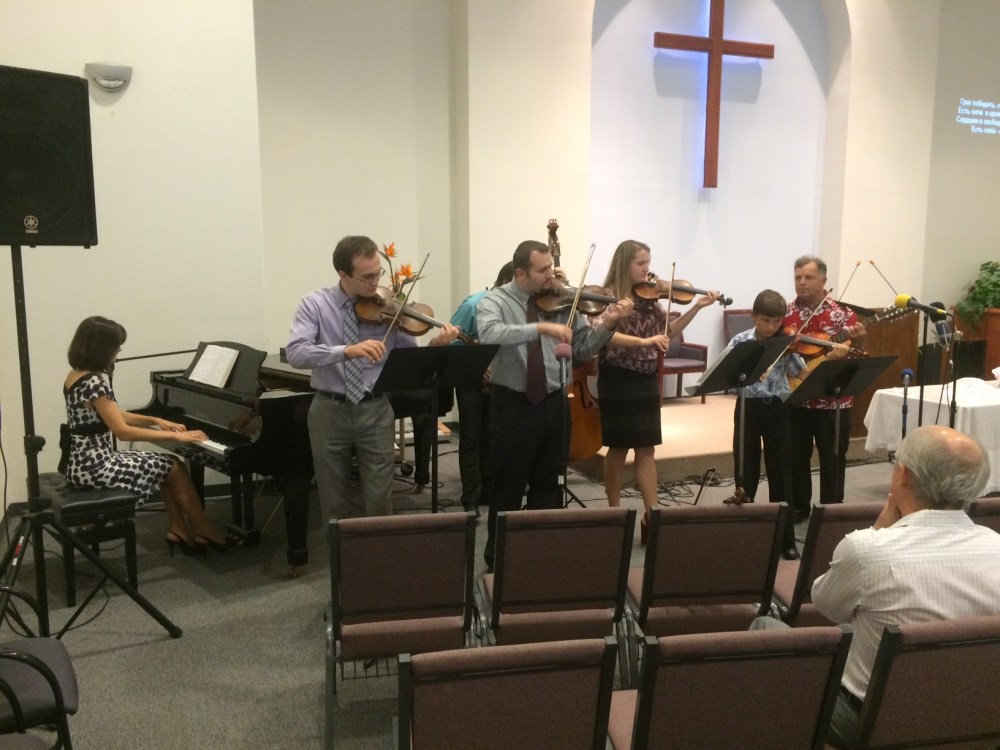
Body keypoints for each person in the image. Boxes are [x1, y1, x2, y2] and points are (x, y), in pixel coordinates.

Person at [810, 425, 1000, 747]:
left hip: (873, 723)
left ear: (903, 475)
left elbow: (826, 605)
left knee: (765, 630)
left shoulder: (867, 550)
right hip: (975, 720)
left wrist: (878, 530)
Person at [476, 240, 633, 570]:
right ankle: (498, 561)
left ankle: (540, 554)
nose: (552, 274)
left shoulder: (562, 301)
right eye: (543, 270)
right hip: (513, 405)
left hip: (554, 403)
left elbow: (582, 348)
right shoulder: (495, 301)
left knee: (548, 486)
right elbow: (490, 334)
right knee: (507, 486)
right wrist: (539, 327)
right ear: (521, 273)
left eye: (551, 266)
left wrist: (608, 324)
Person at [286, 235, 459, 521]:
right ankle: (339, 551)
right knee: (332, 500)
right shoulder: (314, 304)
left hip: (375, 409)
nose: (375, 282)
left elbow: (410, 360)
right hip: (329, 410)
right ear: (343, 275)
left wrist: (436, 346)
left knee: (380, 500)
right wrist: (346, 351)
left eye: (378, 273)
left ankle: (379, 551)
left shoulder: (388, 306)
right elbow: (297, 353)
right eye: (366, 277)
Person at [62, 316, 233, 555]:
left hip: (80, 463)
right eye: (116, 346)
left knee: (167, 466)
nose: (119, 351)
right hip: (96, 467)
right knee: (173, 466)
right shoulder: (95, 382)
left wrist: (157, 420)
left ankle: (179, 528)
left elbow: (115, 415)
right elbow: (122, 431)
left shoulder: (76, 375)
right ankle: (205, 530)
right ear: (101, 348)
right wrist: (176, 437)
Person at [594, 240, 721, 542]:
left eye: (648, 262)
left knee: (647, 448)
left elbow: (667, 332)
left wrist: (696, 308)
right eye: (641, 263)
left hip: (646, 378)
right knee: (618, 447)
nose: (647, 269)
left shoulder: (651, 299)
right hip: (617, 378)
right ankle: (614, 513)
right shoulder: (608, 296)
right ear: (625, 264)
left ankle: (653, 516)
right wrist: (643, 341)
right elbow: (604, 335)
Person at [723, 289, 811, 559]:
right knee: (745, 471)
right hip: (747, 408)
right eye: (765, 321)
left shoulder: (785, 342)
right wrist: (745, 372)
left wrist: (805, 354)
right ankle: (746, 537)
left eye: (776, 322)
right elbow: (725, 374)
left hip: (777, 409)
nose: (771, 327)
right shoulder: (740, 341)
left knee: (781, 473)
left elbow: (802, 373)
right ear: (754, 316)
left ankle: (786, 540)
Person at [783, 255, 866, 522]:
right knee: (796, 458)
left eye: (808, 277)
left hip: (833, 401)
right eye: (797, 277)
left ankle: (831, 509)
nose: (801, 282)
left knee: (833, 457)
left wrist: (859, 341)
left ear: (823, 280)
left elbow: (854, 356)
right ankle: (799, 507)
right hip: (796, 397)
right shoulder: (786, 313)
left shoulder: (843, 315)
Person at [449, 261, 515, 516]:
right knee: (472, 438)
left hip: (500, 378)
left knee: (494, 435)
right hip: (470, 379)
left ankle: (489, 491)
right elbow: (452, 343)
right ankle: (471, 501)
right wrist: (479, 366)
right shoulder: (472, 305)